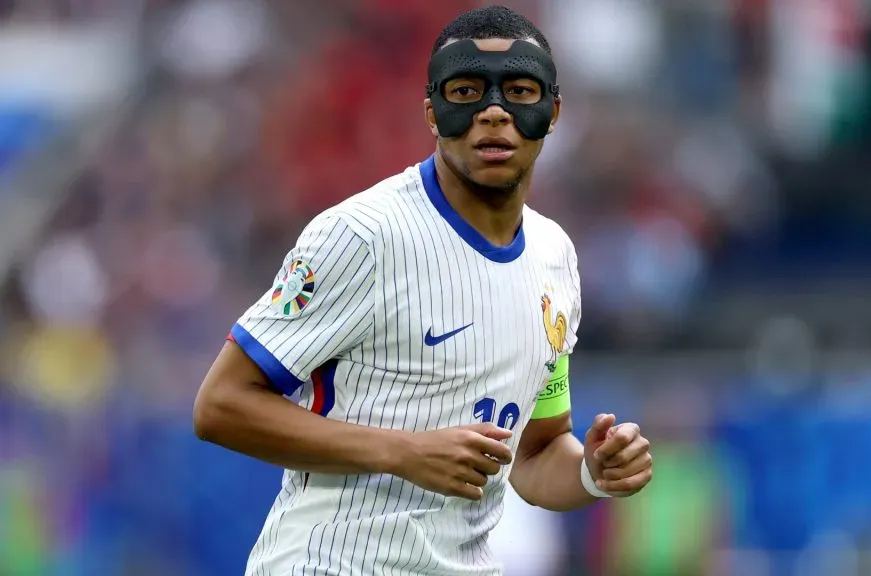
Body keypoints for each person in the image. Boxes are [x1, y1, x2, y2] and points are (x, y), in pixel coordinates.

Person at [193, 5, 654, 575]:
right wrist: (402, 451)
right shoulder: (363, 235)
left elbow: (533, 456)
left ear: (552, 112)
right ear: (432, 112)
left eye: (518, 91)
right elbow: (220, 406)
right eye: (466, 92)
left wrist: (592, 473)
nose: (493, 113)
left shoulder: (555, 258)